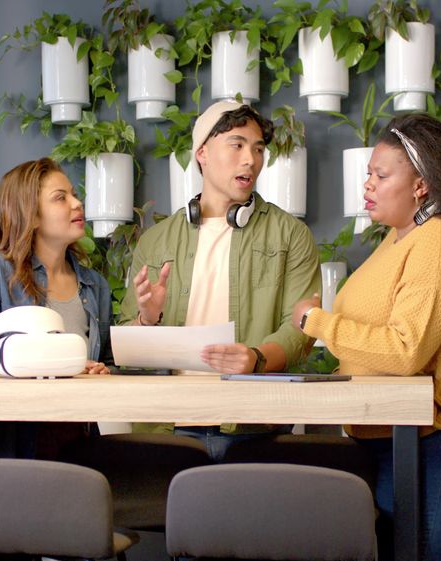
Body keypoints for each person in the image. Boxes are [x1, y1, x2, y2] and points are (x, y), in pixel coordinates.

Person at [292, 113, 441, 561]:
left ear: (421, 185)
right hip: (398, 439)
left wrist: (317, 322)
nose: (368, 185)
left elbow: (405, 351)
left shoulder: (439, 242)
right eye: (369, 174)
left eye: (381, 175)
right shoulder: (400, 237)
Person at [120, 101, 321, 461]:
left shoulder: (291, 235)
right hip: (167, 428)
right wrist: (147, 320)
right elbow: (127, 350)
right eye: (237, 145)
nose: (250, 160)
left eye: (258, 149)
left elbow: (301, 331)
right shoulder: (156, 241)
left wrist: (256, 359)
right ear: (202, 153)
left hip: (254, 428)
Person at [0, 157, 112, 460]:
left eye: (74, 195)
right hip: (6, 447)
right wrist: (34, 360)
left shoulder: (95, 284)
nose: (77, 203)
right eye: (60, 198)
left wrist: (102, 368)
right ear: (31, 215)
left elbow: (107, 362)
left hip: (79, 442)